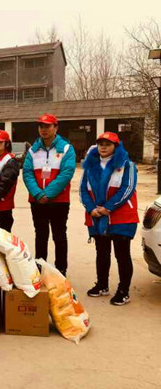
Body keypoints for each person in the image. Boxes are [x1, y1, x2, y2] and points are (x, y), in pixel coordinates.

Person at [80, 132, 138, 306]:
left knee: (122, 254)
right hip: (97, 217)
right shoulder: (90, 165)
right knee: (102, 252)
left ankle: (123, 291)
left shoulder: (127, 165)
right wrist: (91, 209)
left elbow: (127, 188)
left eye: (108, 144)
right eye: (100, 144)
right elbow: (83, 190)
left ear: (116, 146)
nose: (103, 147)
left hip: (121, 217)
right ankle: (102, 285)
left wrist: (108, 208)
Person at [23, 113, 76, 276]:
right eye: (41, 126)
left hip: (59, 201)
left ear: (56, 128)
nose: (43, 129)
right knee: (41, 235)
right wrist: (38, 194)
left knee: (59, 236)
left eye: (47, 126)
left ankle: (61, 269)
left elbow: (67, 172)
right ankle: (40, 267)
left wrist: (49, 193)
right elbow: (27, 173)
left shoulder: (66, 148)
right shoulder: (33, 150)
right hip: (37, 201)